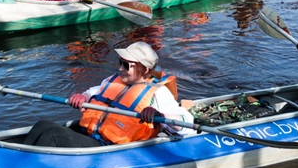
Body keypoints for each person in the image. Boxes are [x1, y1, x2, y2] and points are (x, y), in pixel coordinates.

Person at [23, 41, 194, 148]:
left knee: (52, 134)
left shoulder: (158, 93)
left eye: (127, 65)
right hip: (90, 134)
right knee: (42, 124)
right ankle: (19, 161)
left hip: (108, 146)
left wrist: (160, 115)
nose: (120, 68)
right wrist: (82, 97)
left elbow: (187, 122)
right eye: (120, 63)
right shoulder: (113, 80)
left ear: (144, 69)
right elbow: (92, 93)